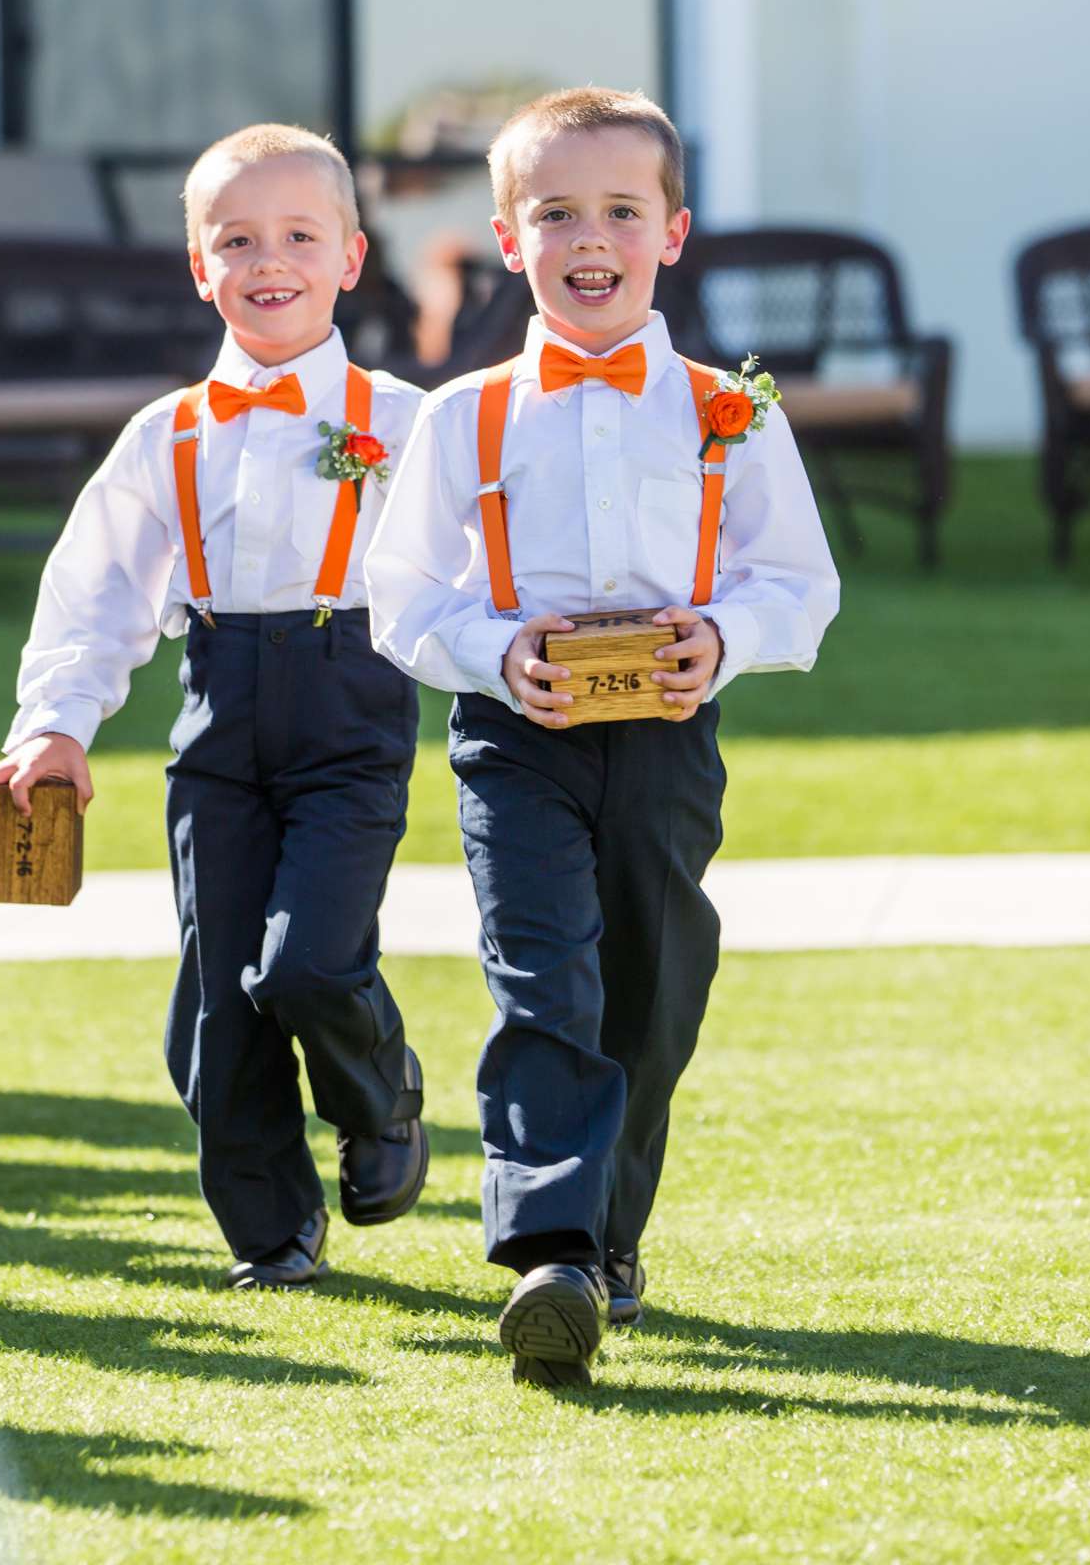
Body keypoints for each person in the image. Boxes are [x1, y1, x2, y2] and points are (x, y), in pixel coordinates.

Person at [365, 88, 841, 1384]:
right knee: (542, 981)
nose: (591, 237)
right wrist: (495, 651)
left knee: (652, 986)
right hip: (516, 739)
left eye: (620, 211)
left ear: (671, 232)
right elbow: (400, 597)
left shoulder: (723, 409)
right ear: (509, 240)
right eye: (557, 212)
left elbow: (800, 583)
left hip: (667, 743)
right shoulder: (460, 416)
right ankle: (549, 1256)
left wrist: (721, 640)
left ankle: (610, 1241)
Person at [0, 126, 431, 1288]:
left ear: (349, 257)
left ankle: (381, 1098)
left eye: (296, 236)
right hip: (219, 724)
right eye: (235, 240)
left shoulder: (409, 424)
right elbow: (92, 594)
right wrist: (55, 723)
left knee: (305, 967)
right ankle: (272, 1231)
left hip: (351, 719)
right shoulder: (163, 436)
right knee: (216, 999)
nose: (265, 260)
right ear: (198, 264)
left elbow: (484, 562)